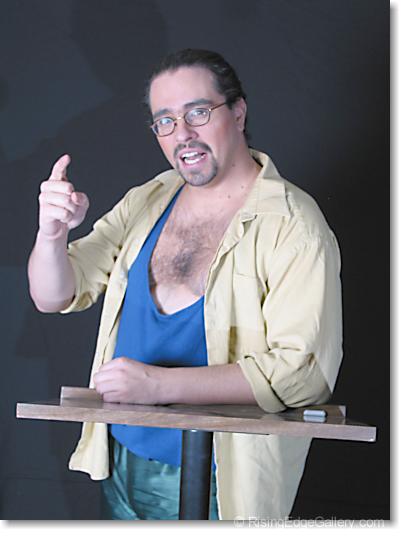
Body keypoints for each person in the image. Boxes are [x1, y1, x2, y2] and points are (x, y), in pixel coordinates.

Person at [27, 48, 343, 521]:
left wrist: (157, 385)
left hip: (219, 479)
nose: (183, 135)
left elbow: (302, 374)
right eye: (166, 121)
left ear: (238, 112)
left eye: (198, 112)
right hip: (120, 458)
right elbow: (54, 294)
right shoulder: (150, 199)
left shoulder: (293, 225)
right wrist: (52, 234)